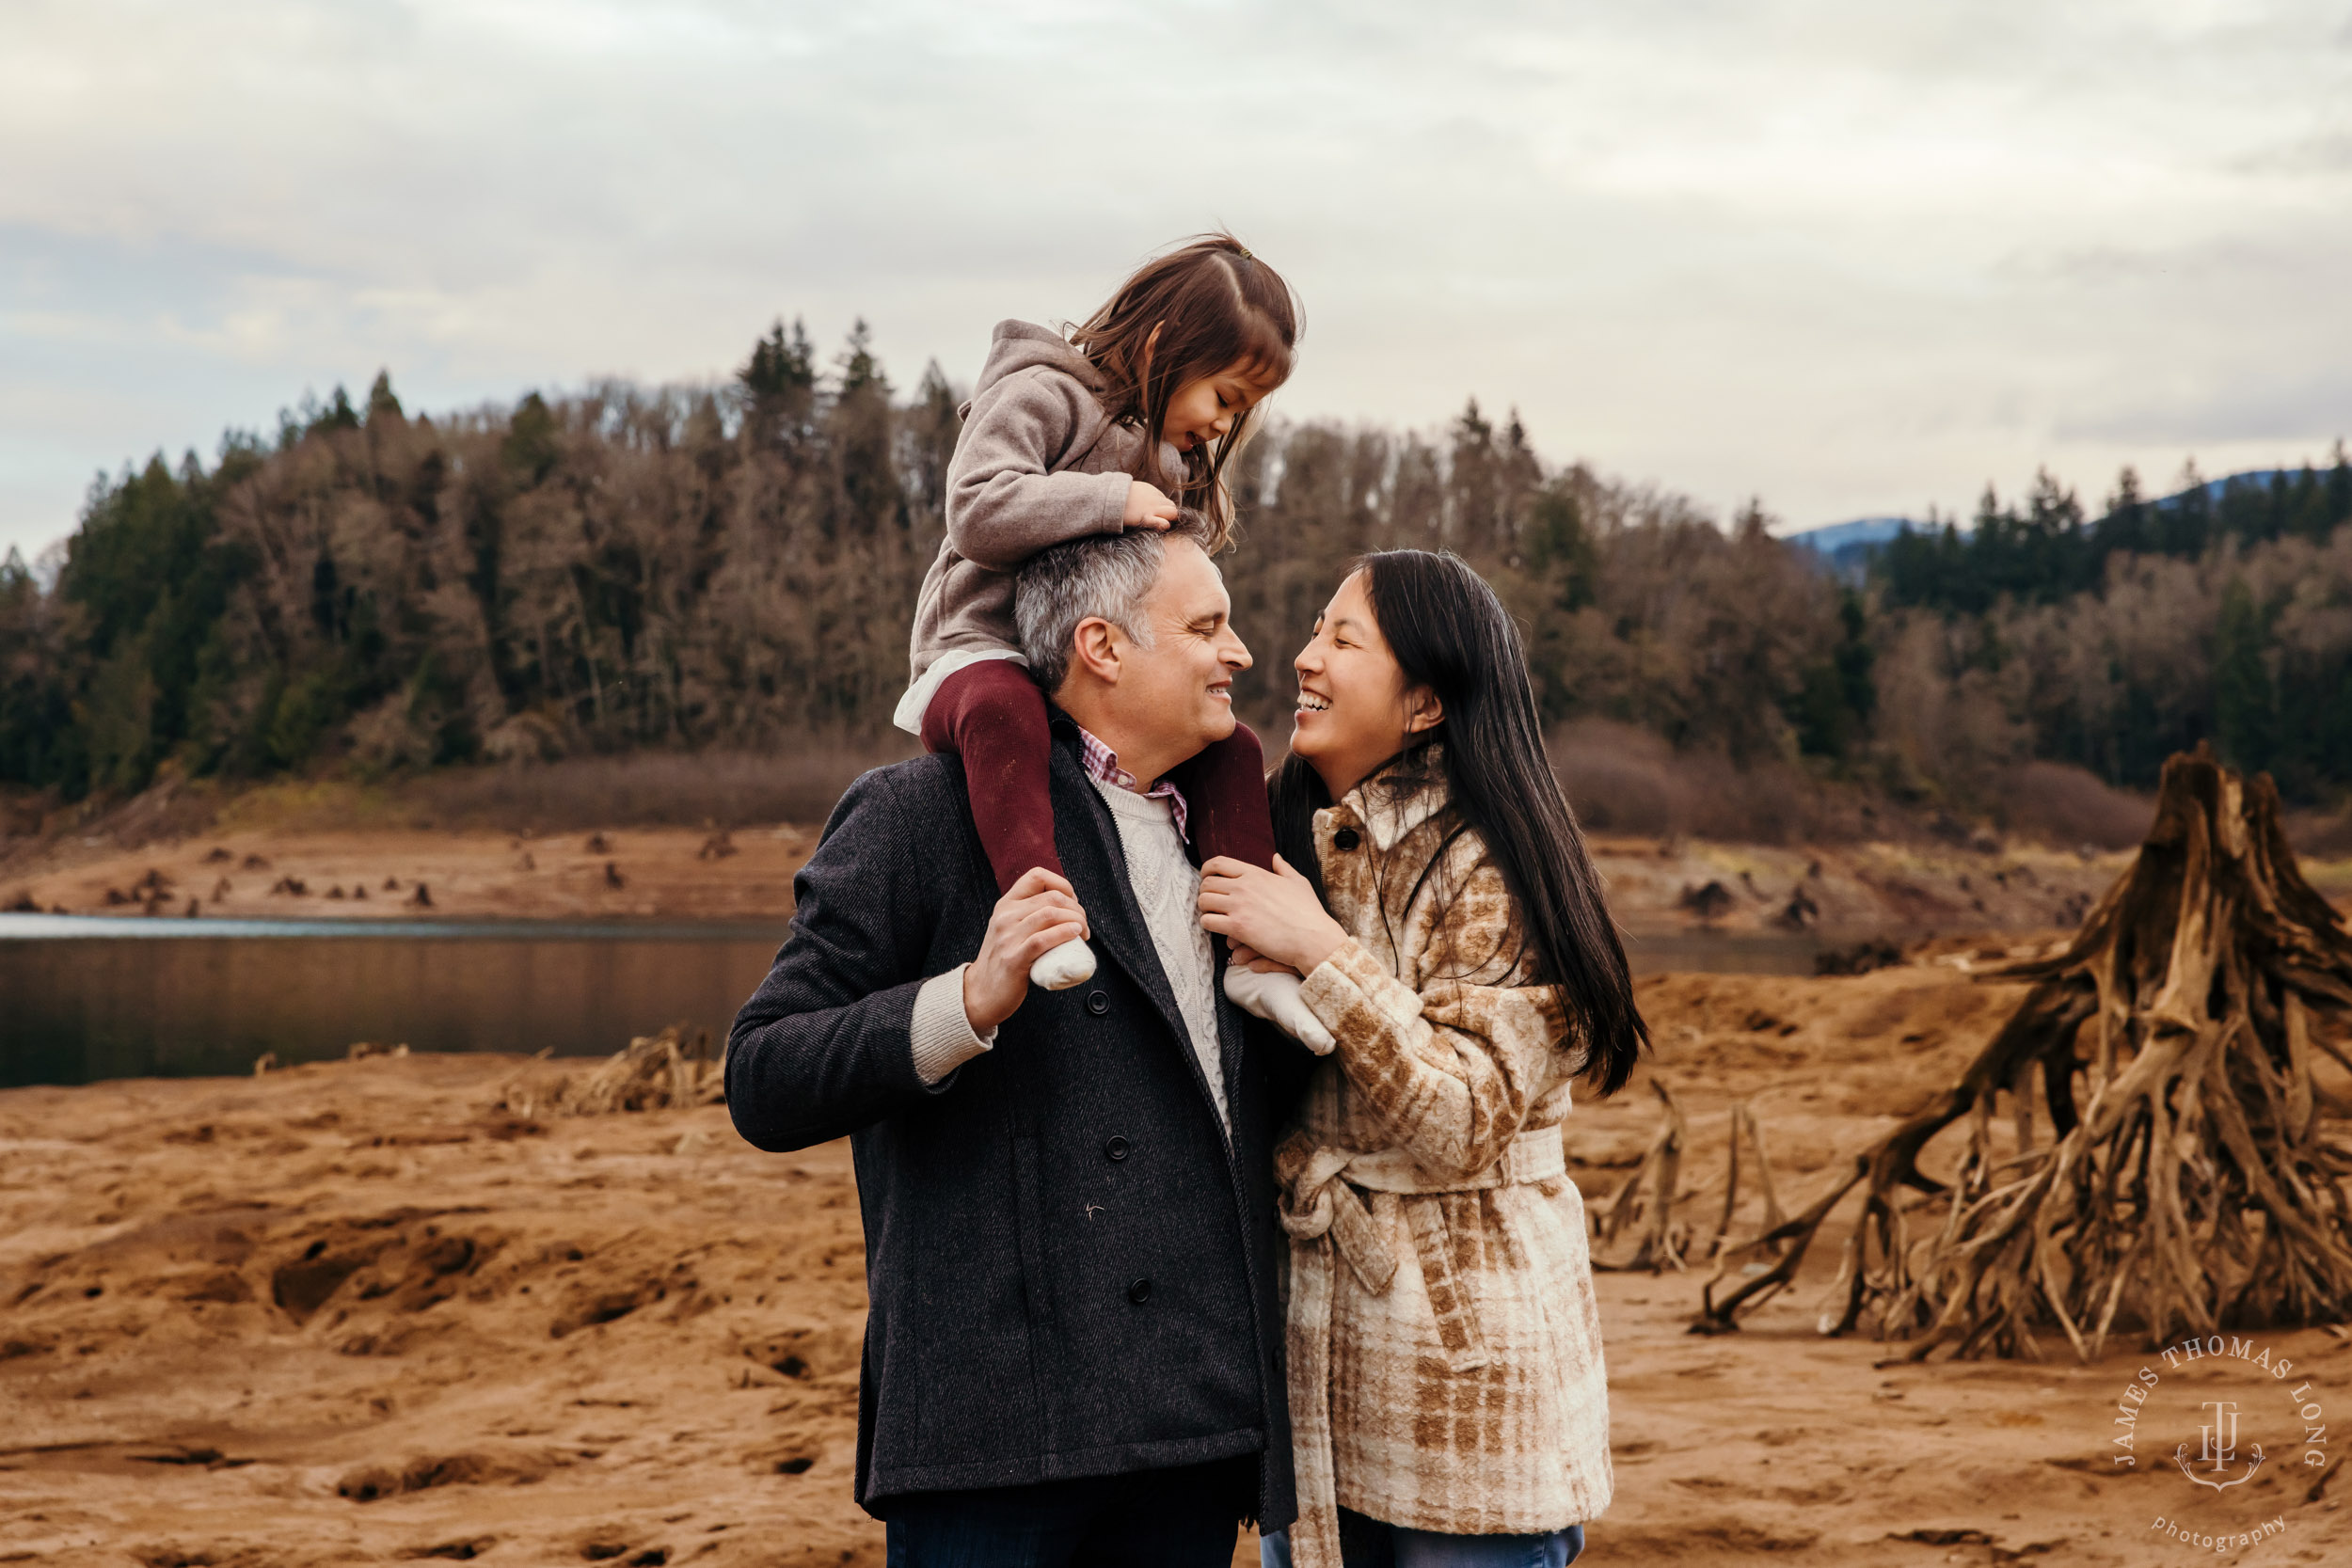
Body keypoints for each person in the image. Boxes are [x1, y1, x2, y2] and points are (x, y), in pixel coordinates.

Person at [728, 513, 1316, 1567]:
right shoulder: (921, 813)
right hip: (996, 1440)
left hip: (1193, 1424)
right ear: (1101, 646)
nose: (1241, 653)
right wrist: (964, 998)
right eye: (1207, 626)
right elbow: (764, 1074)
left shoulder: (1233, 841)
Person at [1196, 551, 1650, 1568]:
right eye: (1315, 629)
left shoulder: (1496, 861)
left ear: (1426, 703)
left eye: (1343, 640)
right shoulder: (1280, 827)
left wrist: (1318, 949)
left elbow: (1459, 1119)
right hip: (1309, 1388)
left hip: (1467, 1397)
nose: (1304, 657)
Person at [896, 232, 1330, 1051]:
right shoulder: (1042, 393)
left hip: (1086, 673)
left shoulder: (1164, 457)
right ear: (1168, 346)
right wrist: (1111, 497)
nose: (1223, 423)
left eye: (1239, 410)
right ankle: (1044, 913)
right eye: (1225, 395)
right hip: (981, 648)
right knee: (1005, 712)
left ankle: (1251, 953)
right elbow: (979, 509)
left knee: (1232, 749)